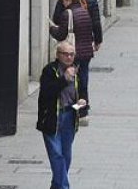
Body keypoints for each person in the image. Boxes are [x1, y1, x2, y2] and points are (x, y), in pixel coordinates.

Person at [37, 41, 88, 189]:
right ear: (58, 55)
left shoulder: (77, 70)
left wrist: (83, 103)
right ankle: (64, 187)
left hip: (70, 116)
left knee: (66, 155)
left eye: (72, 54)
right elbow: (47, 92)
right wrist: (64, 79)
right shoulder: (49, 71)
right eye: (65, 54)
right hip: (52, 118)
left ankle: (57, 186)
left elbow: (83, 90)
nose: (69, 57)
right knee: (56, 155)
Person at [49, 0, 98, 105]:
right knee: (83, 79)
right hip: (86, 52)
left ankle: (71, 104)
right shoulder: (85, 12)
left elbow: (61, 35)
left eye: (65, 0)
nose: (63, 3)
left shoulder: (68, 14)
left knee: (70, 80)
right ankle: (83, 105)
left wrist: (51, 28)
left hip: (72, 53)